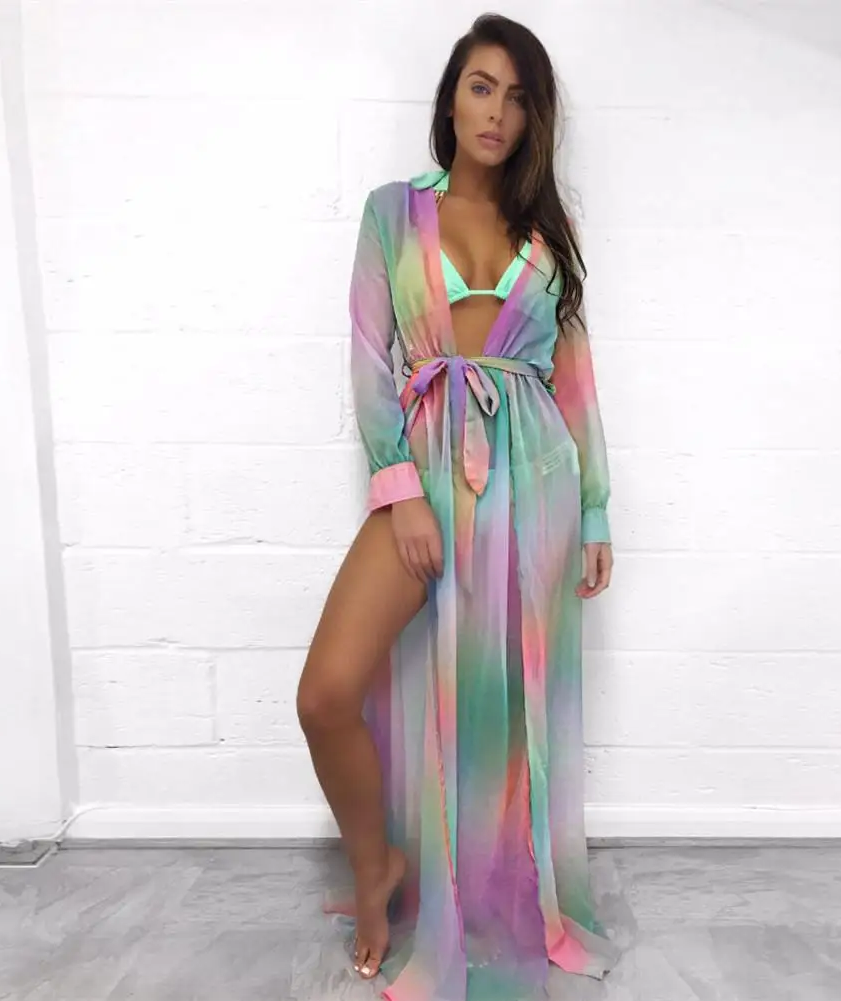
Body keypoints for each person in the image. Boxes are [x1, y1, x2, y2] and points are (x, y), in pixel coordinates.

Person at [296, 13, 619, 1001]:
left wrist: (593, 511)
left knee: (501, 710)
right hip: (430, 467)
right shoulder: (393, 212)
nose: (497, 112)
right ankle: (378, 866)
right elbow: (369, 359)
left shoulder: (547, 236)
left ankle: (492, 886)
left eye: (518, 97)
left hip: (534, 478)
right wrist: (401, 490)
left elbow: (572, 381)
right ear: (449, 98)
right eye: (481, 87)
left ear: (534, 119)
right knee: (325, 692)